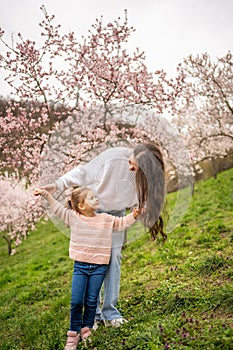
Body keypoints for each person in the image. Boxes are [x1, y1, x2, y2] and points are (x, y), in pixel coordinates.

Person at [41, 142, 167, 328]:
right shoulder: (114, 158)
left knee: (114, 257)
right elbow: (82, 172)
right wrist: (57, 184)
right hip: (92, 212)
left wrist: (141, 210)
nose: (130, 167)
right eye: (132, 161)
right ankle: (93, 316)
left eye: (136, 168)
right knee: (94, 260)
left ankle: (110, 313)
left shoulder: (147, 177)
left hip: (116, 214)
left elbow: (146, 200)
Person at [34, 186, 142, 350]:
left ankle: (86, 330)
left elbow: (120, 223)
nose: (96, 199)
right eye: (91, 198)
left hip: (99, 267)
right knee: (76, 301)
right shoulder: (74, 217)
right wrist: (47, 195)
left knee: (91, 301)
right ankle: (73, 334)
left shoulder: (105, 219)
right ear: (81, 206)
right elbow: (57, 208)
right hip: (81, 267)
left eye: (95, 196)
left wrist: (133, 215)